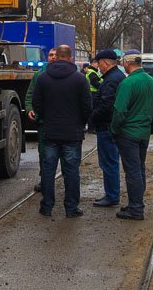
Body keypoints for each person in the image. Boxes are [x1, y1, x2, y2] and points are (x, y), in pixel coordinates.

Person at [31, 44, 92, 218]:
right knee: (72, 172)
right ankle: (71, 208)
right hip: (73, 133)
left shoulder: (43, 78)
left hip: (50, 132)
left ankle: (47, 206)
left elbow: (37, 104)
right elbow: (87, 106)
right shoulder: (80, 79)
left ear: (56, 57)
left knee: (49, 171)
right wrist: (82, 122)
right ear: (71, 58)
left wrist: (44, 118)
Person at [110, 52, 153, 220]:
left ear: (128, 63)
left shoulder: (128, 82)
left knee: (132, 172)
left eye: (123, 62)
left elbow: (119, 111)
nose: (122, 64)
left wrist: (114, 130)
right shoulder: (150, 80)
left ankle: (136, 209)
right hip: (144, 132)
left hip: (128, 133)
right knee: (139, 169)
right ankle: (136, 203)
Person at [87, 49, 125, 207]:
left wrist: (92, 118)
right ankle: (111, 194)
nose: (98, 66)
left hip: (106, 127)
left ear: (106, 63)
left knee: (108, 162)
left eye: (99, 63)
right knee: (111, 161)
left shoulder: (110, 80)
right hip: (111, 126)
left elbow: (106, 106)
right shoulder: (116, 77)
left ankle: (112, 195)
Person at [25, 47, 57, 192]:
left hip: (62, 122)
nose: (53, 57)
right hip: (44, 121)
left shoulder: (70, 74)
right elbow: (30, 94)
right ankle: (45, 180)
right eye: (50, 55)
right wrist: (30, 108)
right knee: (44, 153)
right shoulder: (39, 74)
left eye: (56, 55)